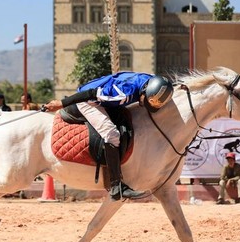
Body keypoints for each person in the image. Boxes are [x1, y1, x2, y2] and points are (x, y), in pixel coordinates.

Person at [44, 72, 174, 200]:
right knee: (112, 135)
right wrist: (62, 103)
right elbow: (91, 94)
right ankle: (116, 186)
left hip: (105, 96)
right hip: (88, 101)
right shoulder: (124, 92)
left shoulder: (152, 81)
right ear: (146, 90)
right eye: (146, 100)